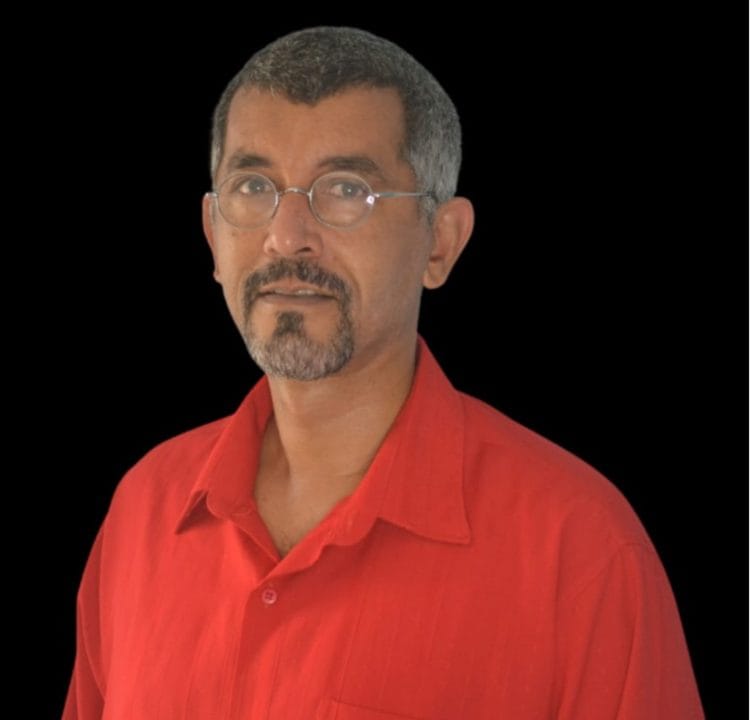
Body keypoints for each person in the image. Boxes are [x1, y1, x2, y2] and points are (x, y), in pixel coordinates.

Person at [63, 26, 704, 720]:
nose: (286, 236)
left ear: (441, 243)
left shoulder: (580, 552)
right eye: (253, 186)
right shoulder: (143, 510)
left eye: (347, 189)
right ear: (213, 233)